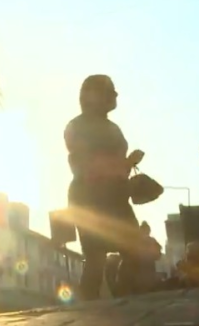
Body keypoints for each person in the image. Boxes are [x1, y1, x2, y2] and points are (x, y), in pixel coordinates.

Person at [64, 75, 143, 301]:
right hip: (89, 197)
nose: (115, 95)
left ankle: (122, 296)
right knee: (95, 258)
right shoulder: (77, 126)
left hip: (116, 196)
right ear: (92, 96)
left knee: (134, 248)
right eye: (109, 91)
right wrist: (125, 164)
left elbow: (113, 167)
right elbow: (84, 165)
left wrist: (128, 165)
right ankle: (89, 309)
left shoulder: (113, 128)